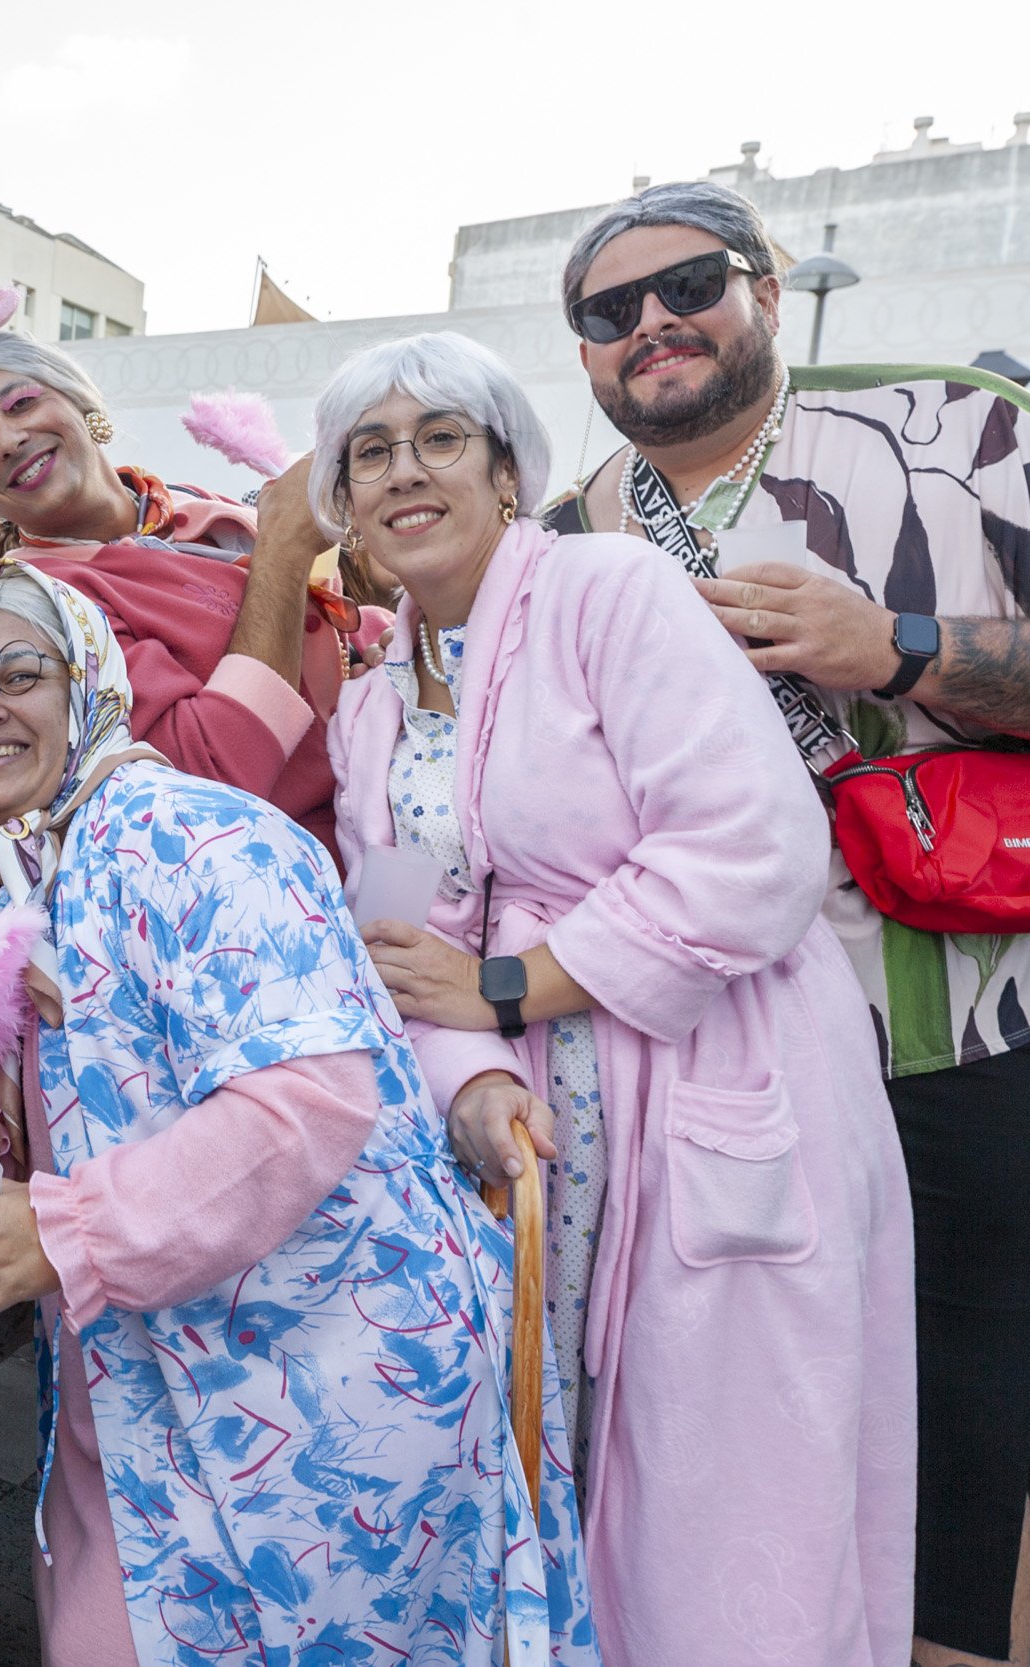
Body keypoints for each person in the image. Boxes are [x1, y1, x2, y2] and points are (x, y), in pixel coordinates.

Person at [547, 181, 1030, 1667]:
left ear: (767, 291)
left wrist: (897, 646)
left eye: (690, 284)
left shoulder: (964, 430)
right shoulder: (570, 532)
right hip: (707, 1060)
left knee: (960, 1440)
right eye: (608, 309)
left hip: (968, 1020)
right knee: (726, 1430)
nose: (652, 322)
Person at [321, 330, 915, 1665]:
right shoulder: (367, 710)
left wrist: (509, 987)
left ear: (507, 470)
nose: (405, 471)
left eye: (439, 438)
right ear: (342, 503)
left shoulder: (610, 592)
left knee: (730, 1514)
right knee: (549, 1480)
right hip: (537, 1139)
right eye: (369, 453)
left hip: (713, 1069)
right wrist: (473, 1077)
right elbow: (401, 947)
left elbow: (754, 849)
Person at [0, 560, 596, 1667]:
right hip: (150, 1374)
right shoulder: (38, 875)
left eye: (20, 672)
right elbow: (124, 1099)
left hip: (325, 1381)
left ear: (92, 684)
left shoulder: (196, 833)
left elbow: (308, 1100)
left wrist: (64, 1229)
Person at [0, 285, 366, 844]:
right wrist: (281, 557)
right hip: (283, 868)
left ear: (80, 403)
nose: (10, 439)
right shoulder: (42, 605)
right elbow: (209, 774)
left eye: (21, 404)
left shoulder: (191, 504)